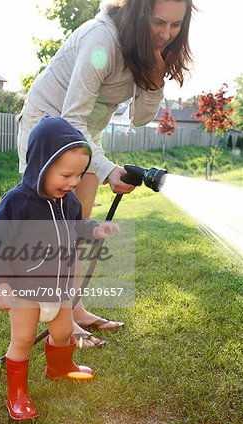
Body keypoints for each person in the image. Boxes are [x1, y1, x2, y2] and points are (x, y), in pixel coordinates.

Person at [17, 0, 195, 346]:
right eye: (159, 22)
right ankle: (61, 324)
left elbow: (140, 118)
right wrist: (105, 168)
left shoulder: (146, 48)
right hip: (48, 128)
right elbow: (71, 118)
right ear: (138, 12)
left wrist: (156, 76)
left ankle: (76, 310)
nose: (166, 34)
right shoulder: (102, 40)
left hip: (84, 138)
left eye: (176, 25)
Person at [0, 116, 119, 420]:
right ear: (41, 165)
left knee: (62, 332)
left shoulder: (68, 202)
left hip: (59, 291)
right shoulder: (17, 203)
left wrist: (94, 230)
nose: (72, 182)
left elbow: (76, 228)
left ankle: (60, 367)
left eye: (78, 176)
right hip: (25, 294)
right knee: (22, 340)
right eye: (66, 174)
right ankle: (17, 395)